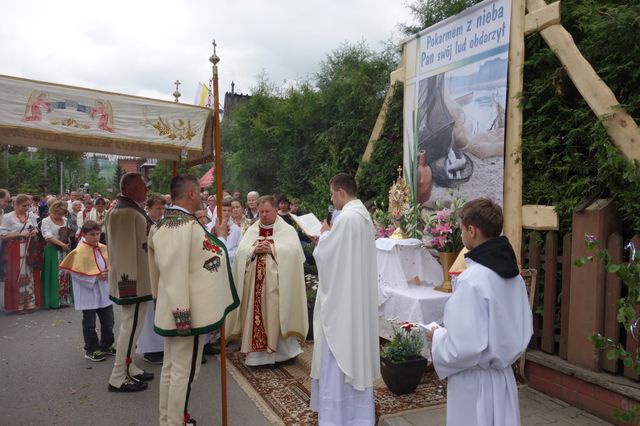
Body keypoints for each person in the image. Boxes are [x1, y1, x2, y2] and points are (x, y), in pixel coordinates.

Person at [425, 198, 533, 426]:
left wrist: (437, 337)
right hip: (502, 378)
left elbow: (464, 348)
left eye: (462, 229)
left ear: (472, 231)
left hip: (474, 385)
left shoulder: (472, 280)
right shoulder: (514, 277)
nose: (461, 235)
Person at [148, 174, 239, 426]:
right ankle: (174, 422)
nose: (200, 196)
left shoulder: (163, 223)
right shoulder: (183, 226)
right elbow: (205, 260)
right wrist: (220, 237)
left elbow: (161, 269)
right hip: (184, 310)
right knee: (182, 371)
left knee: (171, 367)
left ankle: (167, 419)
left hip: (172, 305)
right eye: (198, 191)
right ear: (190, 194)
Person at [309, 173, 380, 425]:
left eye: (331, 194)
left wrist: (323, 236)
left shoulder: (347, 219)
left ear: (340, 192)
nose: (331, 199)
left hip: (342, 303)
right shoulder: (362, 216)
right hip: (353, 297)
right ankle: (356, 416)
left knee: (337, 358)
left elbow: (328, 256)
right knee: (351, 351)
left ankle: (337, 418)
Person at [227, 195, 308, 367]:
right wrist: (253, 249)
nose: (263, 215)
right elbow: (241, 253)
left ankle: (283, 355)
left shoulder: (286, 230)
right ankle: (259, 357)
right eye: (261, 211)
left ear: (276, 210)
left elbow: (295, 254)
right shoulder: (252, 230)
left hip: (278, 285)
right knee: (258, 316)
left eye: (267, 211)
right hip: (255, 285)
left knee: (278, 316)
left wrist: (272, 248)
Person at [105, 172, 154, 393]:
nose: (147, 190)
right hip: (132, 283)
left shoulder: (128, 208)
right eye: (143, 186)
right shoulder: (125, 213)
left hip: (138, 280)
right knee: (129, 325)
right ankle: (117, 375)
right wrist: (128, 288)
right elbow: (124, 252)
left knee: (133, 325)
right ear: (132, 188)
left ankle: (129, 365)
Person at [59, 221, 114, 362]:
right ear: (84, 234)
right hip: (88, 292)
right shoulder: (79, 252)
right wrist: (96, 277)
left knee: (109, 321)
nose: (96, 237)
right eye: (92, 234)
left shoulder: (103, 248)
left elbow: (110, 264)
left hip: (104, 291)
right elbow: (76, 273)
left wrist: (108, 272)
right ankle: (91, 349)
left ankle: (106, 345)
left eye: (98, 234)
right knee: (89, 323)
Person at [137, 193, 167, 365]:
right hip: (148, 271)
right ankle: (150, 348)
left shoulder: (161, 224)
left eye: (163, 208)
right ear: (148, 208)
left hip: (159, 271)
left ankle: (159, 346)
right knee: (149, 312)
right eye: (157, 208)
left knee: (158, 310)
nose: (161, 212)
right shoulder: (144, 224)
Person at [0, 194, 41, 312]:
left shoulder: (31, 215)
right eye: (24, 206)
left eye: (28, 205)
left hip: (29, 248)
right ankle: (17, 304)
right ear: (16, 204)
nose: (27, 208)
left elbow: (36, 230)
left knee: (29, 274)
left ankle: (29, 303)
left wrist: (33, 232)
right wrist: (19, 234)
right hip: (15, 248)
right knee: (16, 275)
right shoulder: (8, 217)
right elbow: (2, 235)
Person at [41, 200, 73, 308]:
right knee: (55, 275)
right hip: (52, 250)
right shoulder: (46, 221)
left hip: (64, 250)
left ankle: (64, 299)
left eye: (62, 214)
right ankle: (54, 300)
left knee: (65, 274)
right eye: (58, 213)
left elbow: (68, 234)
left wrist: (67, 242)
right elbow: (48, 236)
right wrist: (62, 244)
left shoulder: (64, 220)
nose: (60, 216)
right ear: (52, 211)